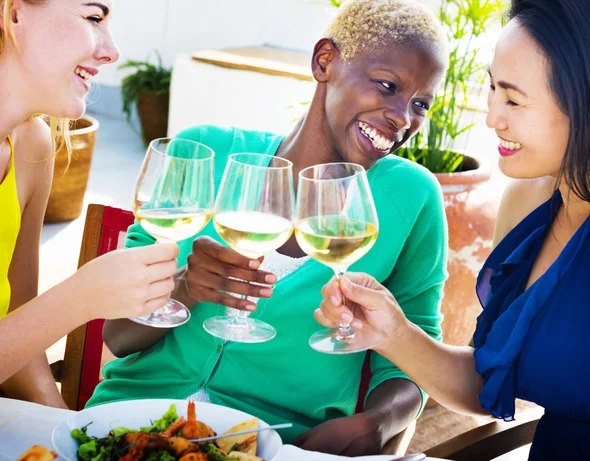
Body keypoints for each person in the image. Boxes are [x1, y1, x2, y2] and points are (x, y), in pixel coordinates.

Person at [88, 0, 450, 455]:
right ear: (326, 61)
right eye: (387, 85)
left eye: (420, 103)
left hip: (277, 443)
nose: (402, 117)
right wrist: (183, 288)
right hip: (134, 426)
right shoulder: (201, 153)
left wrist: (378, 422)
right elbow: (118, 336)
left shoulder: (410, 197)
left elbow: (414, 348)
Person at [315, 0, 590, 459]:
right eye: (491, 89)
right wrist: (395, 333)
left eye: (514, 98)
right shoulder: (528, 204)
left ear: (588, 104)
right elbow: (489, 383)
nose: (492, 117)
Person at [0, 0, 179, 405]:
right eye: (93, 17)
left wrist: (67, 431)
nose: (111, 51)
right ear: (14, 13)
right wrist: (79, 298)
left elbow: (20, 335)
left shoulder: (31, 147)